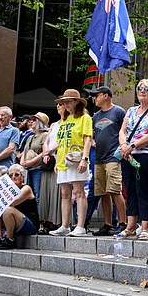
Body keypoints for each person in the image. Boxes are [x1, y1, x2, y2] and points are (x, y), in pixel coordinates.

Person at [116, 79, 148, 240]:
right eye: (139, 88)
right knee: (130, 190)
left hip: (145, 154)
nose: (142, 91)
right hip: (127, 154)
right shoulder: (130, 110)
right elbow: (122, 131)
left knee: (143, 189)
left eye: (146, 89)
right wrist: (124, 146)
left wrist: (133, 145)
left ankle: (145, 226)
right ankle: (130, 225)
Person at [49, 89, 93, 237]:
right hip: (63, 160)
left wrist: (84, 159)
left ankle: (80, 226)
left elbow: (87, 139)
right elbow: (61, 142)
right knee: (65, 193)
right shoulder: (64, 120)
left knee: (79, 192)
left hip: (76, 159)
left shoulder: (85, 118)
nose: (65, 104)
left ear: (76, 102)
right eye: (63, 102)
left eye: (68, 101)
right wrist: (56, 161)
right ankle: (65, 225)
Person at [86, 86, 127, 236]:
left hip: (113, 157)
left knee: (115, 190)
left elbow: (125, 132)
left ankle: (122, 223)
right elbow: (92, 135)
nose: (94, 99)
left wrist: (121, 151)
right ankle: (107, 224)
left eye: (96, 95)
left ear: (106, 96)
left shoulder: (119, 112)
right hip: (98, 158)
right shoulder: (95, 116)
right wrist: (92, 142)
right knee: (102, 192)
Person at [0, 164, 39, 249]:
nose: (13, 177)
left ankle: (9, 239)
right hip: (13, 221)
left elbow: (12, 202)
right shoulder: (8, 188)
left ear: (23, 177)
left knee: (8, 210)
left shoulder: (26, 188)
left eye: (17, 175)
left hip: (30, 224)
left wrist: (2, 185)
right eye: (11, 175)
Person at [38, 103, 64, 234]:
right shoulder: (54, 124)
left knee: (57, 191)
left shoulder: (69, 122)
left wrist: (50, 151)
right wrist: (45, 153)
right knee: (46, 191)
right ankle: (45, 221)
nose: (58, 106)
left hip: (60, 158)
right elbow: (46, 141)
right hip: (49, 160)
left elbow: (63, 140)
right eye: (57, 104)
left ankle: (56, 222)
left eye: (61, 104)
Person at [20, 112, 49, 208]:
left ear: (40, 122)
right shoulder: (30, 137)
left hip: (38, 169)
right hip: (28, 169)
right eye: (30, 120)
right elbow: (24, 151)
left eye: (34, 120)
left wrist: (30, 162)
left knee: (37, 195)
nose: (31, 122)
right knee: (29, 195)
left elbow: (44, 152)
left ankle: (39, 219)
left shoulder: (45, 135)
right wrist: (22, 162)